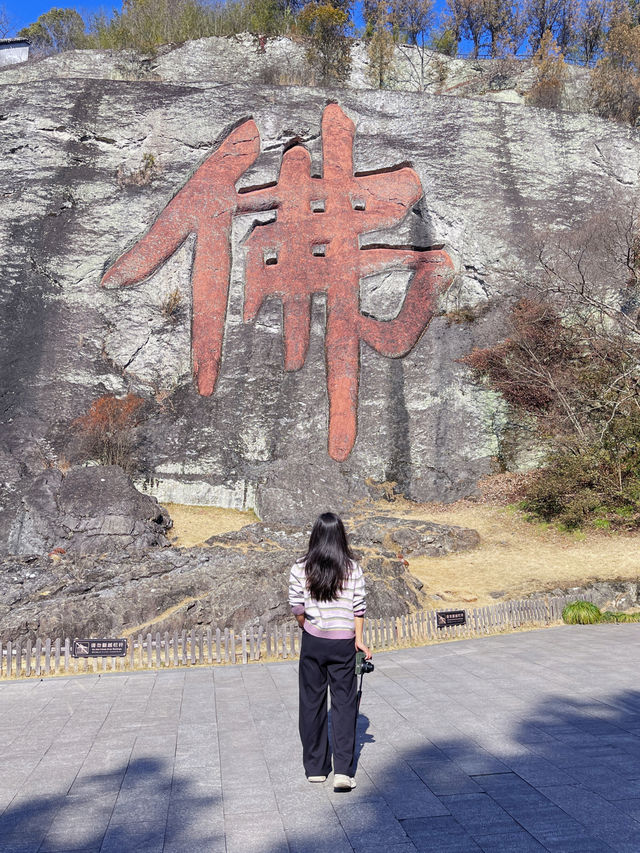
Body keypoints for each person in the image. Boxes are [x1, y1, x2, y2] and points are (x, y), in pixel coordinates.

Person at [289, 512, 372, 791]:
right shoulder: (352, 568)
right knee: (344, 704)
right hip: (343, 643)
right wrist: (358, 640)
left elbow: (297, 608)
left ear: (315, 536)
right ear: (341, 536)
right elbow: (358, 608)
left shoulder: (300, 567)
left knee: (311, 703)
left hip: (313, 641)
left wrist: (309, 628)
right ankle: (343, 772)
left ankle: (315, 768)